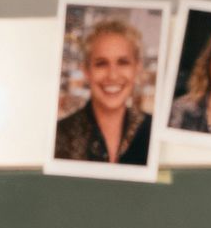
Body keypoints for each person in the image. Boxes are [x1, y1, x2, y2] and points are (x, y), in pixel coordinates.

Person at [54, 18, 154, 167]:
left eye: (123, 62)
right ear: (86, 71)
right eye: (101, 64)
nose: (112, 75)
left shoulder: (152, 132)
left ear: (137, 68)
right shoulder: (58, 136)